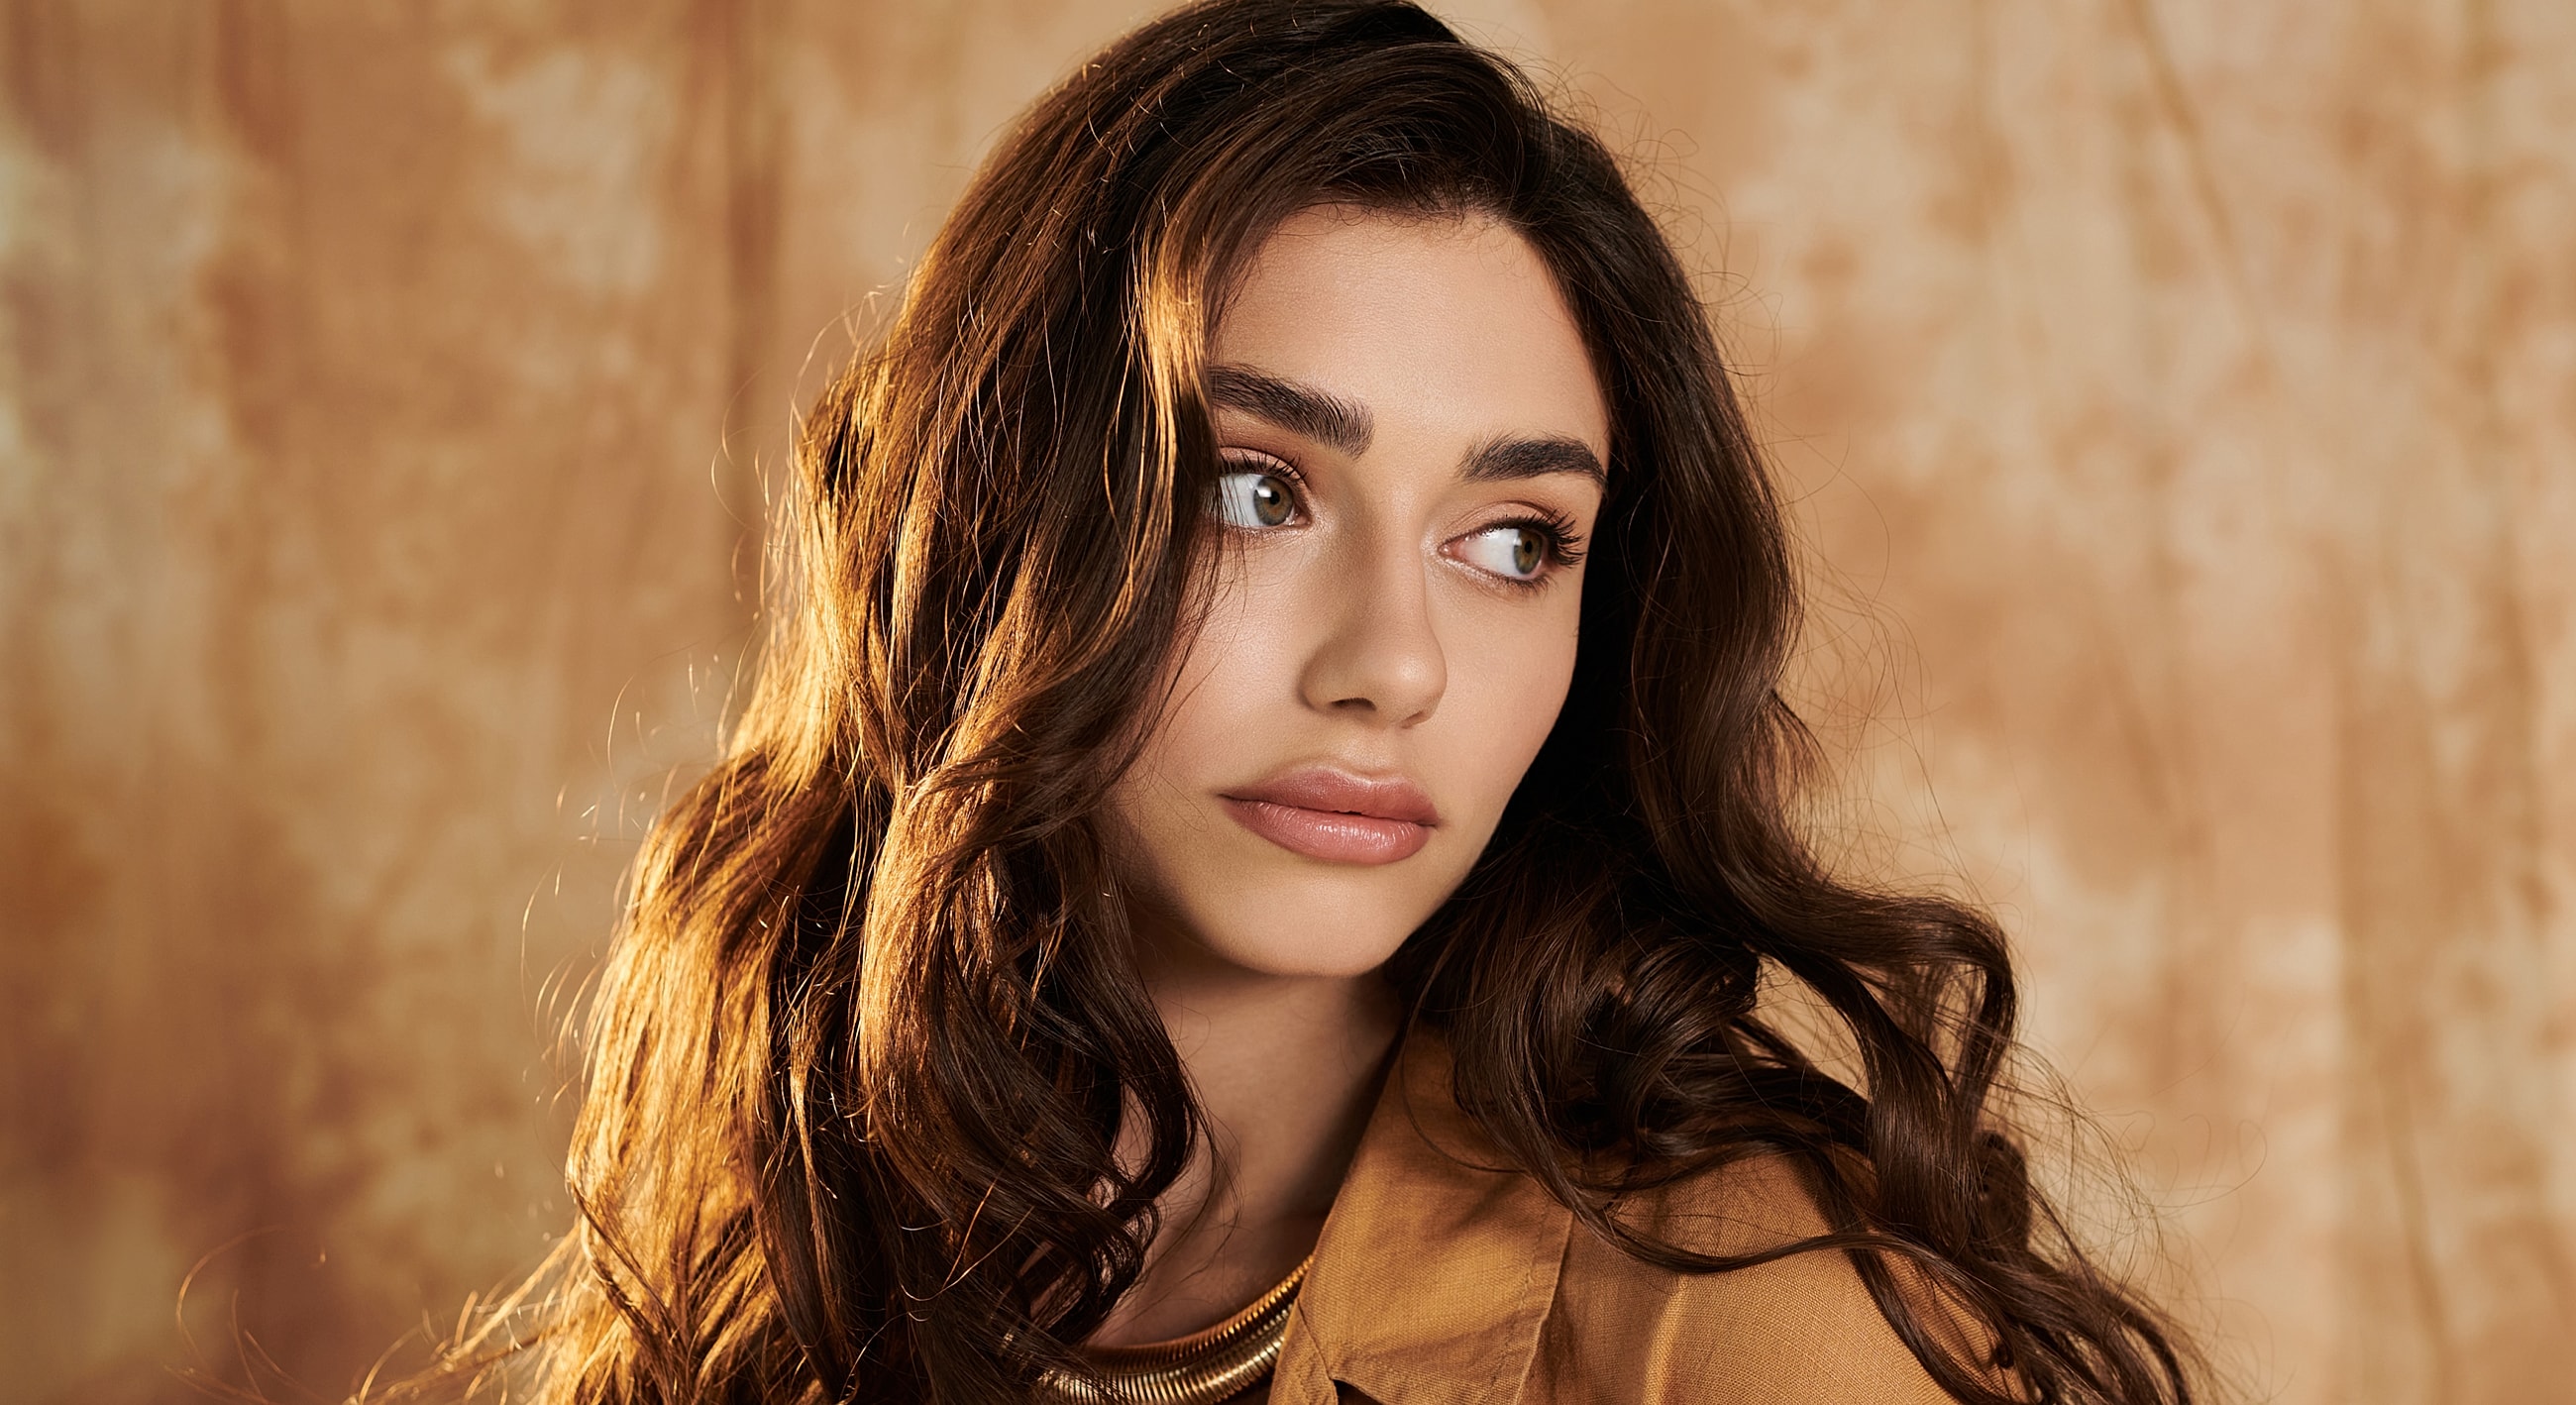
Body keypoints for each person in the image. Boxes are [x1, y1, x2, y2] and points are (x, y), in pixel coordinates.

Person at [436, 2, 2199, 1401]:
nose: (1397, 664)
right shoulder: (803, 1191)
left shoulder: (1749, 1323)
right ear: (994, 512)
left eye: (1515, 539)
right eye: (1258, 490)